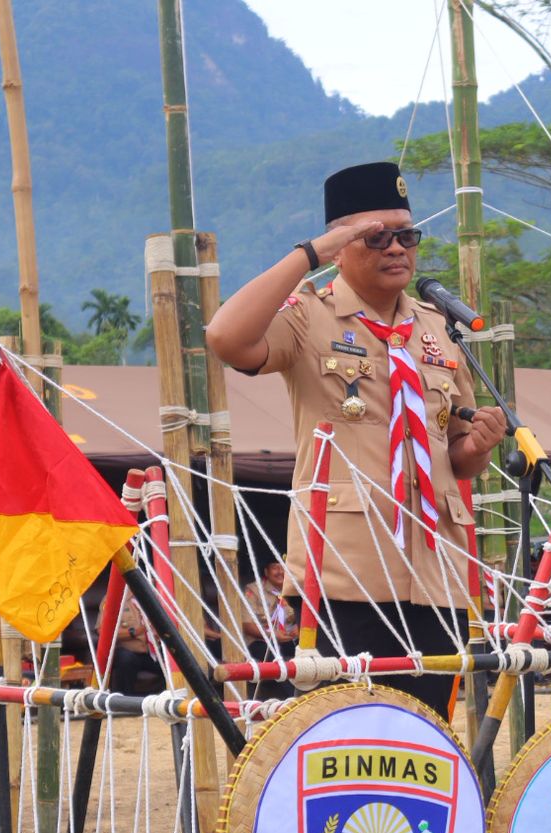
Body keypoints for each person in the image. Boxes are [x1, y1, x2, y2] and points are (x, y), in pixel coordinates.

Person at [207, 161, 506, 713]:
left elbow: (454, 457)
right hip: (344, 568)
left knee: (428, 734)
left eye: (407, 235)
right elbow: (226, 336)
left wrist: (478, 444)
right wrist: (308, 255)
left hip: (436, 567)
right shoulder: (308, 316)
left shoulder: (438, 328)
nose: (397, 248)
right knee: (347, 733)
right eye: (376, 237)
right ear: (340, 245)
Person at [241, 560, 298, 701]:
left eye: (283, 567)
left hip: (287, 639)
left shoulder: (293, 589)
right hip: (260, 641)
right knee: (279, 660)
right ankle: (296, 699)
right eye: (275, 567)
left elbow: (303, 617)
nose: (280, 572)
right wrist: (272, 635)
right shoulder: (253, 590)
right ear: (266, 571)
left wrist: (299, 629)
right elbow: (247, 625)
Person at [102, 591, 160, 696]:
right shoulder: (114, 598)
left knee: (173, 660)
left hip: (151, 652)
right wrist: (135, 632)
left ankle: (163, 701)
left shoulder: (150, 597)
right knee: (126, 659)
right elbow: (103, 631)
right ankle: (124, 702)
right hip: (127, 650)